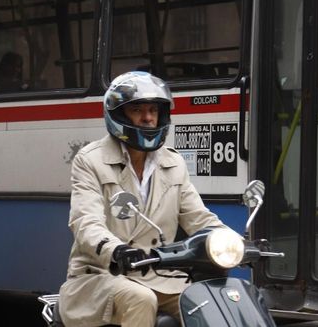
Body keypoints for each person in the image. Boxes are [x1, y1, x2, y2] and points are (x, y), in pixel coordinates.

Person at [58, 71, 227, 327]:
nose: (148, 118)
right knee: (141, 299)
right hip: (100, 276)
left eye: (154, 110)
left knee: (212, 302)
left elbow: (198, 218)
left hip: (160, 275)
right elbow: (86, 222)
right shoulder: (90, 160)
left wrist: (231, 241)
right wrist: (117, 250)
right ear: (119, 114)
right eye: (137, 109)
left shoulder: (173, 162)